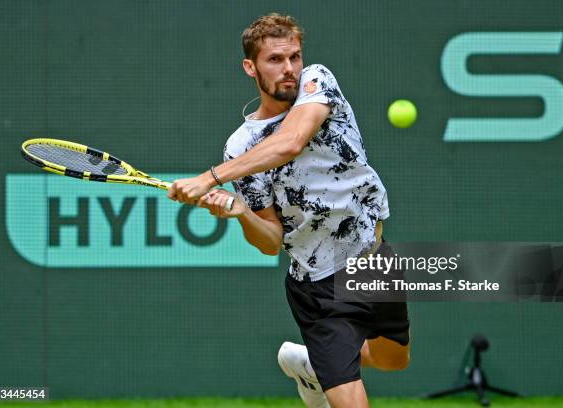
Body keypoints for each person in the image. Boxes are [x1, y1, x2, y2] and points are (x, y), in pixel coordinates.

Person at [167, 13, 410, 408]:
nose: (289, 69)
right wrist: (240, 213)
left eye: (294, 57)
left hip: (373, 259)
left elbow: (291, 141)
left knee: (392, 359)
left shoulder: (318, 81)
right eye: (275, 60)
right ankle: (327, 365)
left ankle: (313, 366)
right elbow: (270, 241)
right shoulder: (241, 147)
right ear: (251, 67)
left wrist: (209, 179)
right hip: (319, 287)